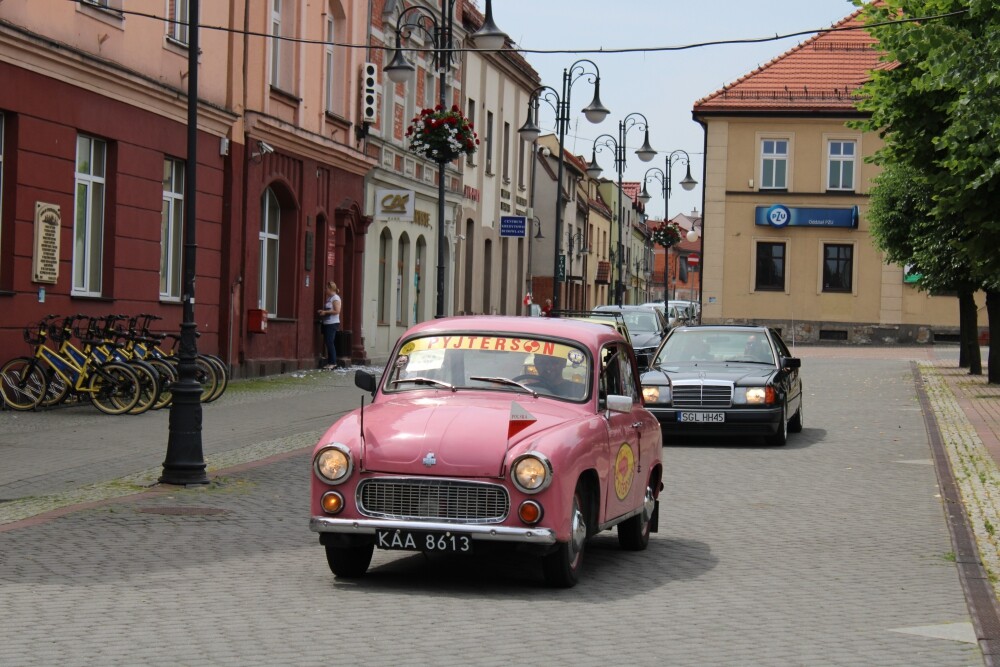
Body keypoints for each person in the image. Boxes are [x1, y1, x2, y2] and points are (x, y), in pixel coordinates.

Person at [318, 281, 342, 369]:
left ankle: (333, 362)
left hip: (332, 323)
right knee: (328, 343)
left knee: (330, 342)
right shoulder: (329, 298)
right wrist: (323, 311)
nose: (325, 290)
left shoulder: (335, 298)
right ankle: (330, 362)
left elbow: (337, 311)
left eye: (326, 288)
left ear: (331, 289)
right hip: (327, 323)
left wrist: (325, 312)